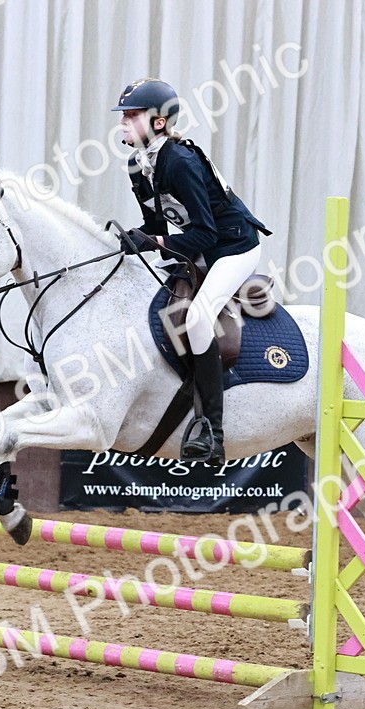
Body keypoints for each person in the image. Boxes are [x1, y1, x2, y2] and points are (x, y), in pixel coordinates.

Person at [112, 77, 271, 465]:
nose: (124, 124)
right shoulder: (138, 165)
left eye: (132, 116)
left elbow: (204, 230)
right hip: (202, 247)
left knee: (199, 319)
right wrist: (133, 239)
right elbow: (158, 228)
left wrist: (156, 244)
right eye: (124, 117)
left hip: (234, 245)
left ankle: (211, 430)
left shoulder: (179, 161)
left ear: (160, 123)